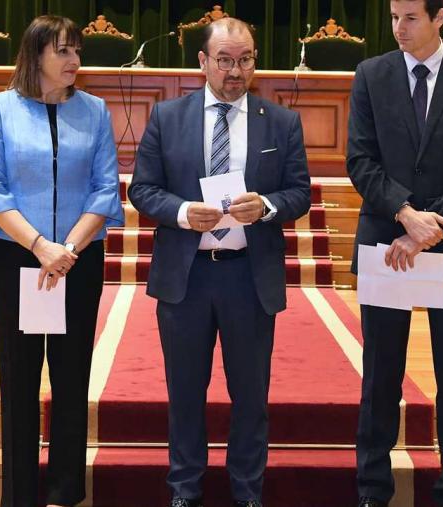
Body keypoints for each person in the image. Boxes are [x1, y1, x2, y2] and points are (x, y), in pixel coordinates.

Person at [128, 17, 311, 507]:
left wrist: (267, 207)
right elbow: (142, 190)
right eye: (225, 60)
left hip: (249, 278)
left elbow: (298, 192)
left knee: (250, 397)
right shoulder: (167, 118)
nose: (236, 71)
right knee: (185, 394)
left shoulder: (283, 121)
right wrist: (185, 213)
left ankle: (247, 491)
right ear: (202, 62)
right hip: (186, 277)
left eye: (245, 59)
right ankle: (185, 490)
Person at [346, 0, 443, 506]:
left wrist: (429, 225)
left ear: (439, 18)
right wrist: (405, 216)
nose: (398, 28)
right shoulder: (371, 74)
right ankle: (372, 487)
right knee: (381, 370)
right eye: (393, 17)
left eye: (410, 18)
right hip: (388, 240)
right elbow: (360, 160)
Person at [0, 15, 124, 507]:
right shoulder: (0, 108)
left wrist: (69, 250)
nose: (74, 61)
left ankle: (65, 489)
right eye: (63, 51)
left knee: (71, 372)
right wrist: (41, 247)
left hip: (77, 261)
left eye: (77, 51)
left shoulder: (96, 111)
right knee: (18, 377)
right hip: (19, 257)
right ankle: (18, 494)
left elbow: (106, 189)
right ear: (35, 53)